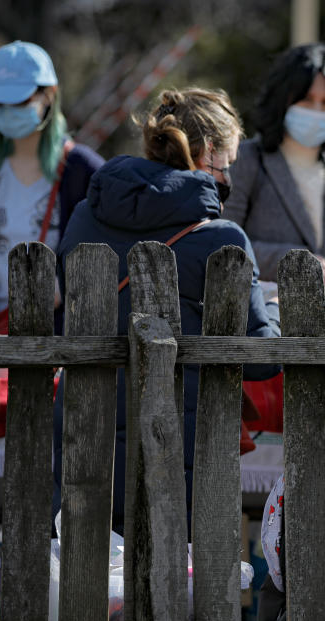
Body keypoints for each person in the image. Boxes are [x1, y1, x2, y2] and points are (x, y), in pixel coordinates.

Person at [52, 88, 282, 532]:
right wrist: (271, 309)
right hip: (181, 454)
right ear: (208, 151)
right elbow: (261, 358)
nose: (228, 175)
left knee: (90, 588)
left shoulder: (84, 216)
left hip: (85, 438)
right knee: (178, 592)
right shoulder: (221, 239)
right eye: (228, 163)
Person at [0, 41, 103, 331]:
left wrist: (66, 286)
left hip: (62, 338)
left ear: (49, 95)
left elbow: (108, 253)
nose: (6, 111)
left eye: (18, 101)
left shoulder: (85, 170)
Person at [222, 43, 325, 288]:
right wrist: (291, 261)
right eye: (307, 99)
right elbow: (223, 241)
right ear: (282, 99)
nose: (317, 111)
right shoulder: (246, 159)